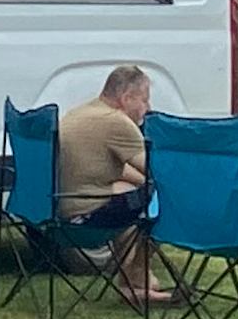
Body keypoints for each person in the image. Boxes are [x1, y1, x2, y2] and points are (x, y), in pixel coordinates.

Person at [55, 64, 170, 306]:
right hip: (88, 215)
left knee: (134, 194)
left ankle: (134, 280)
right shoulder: (116, 122)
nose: (147, 109)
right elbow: (159, 171)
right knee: (164, 202)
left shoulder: (81, 112)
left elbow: (122, 169)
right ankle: (135, 280)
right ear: (127, 98)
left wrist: (145, 183)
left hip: (59, 213)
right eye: (145, 100)